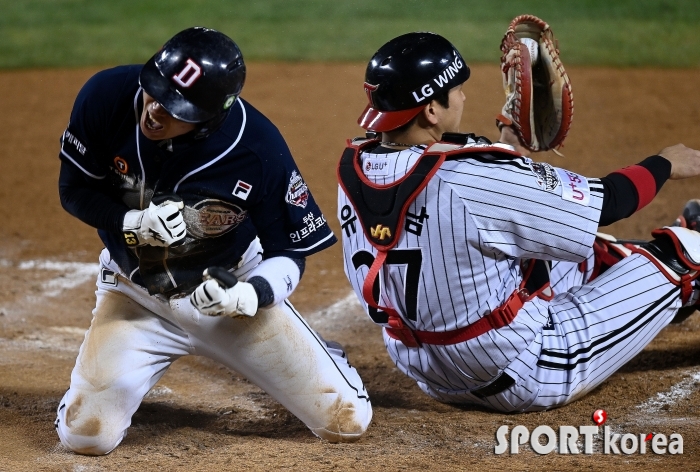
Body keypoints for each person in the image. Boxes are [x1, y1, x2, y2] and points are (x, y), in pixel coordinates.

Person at [337, 32, 700, 412]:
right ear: (431, 109)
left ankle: (642, 279)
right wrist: (665, 163)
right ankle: (685, 280)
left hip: (430, 374)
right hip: (524, 370)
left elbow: (453, 190)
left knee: (585, 253)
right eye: (457, 90)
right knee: (684, 253)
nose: (463, 97)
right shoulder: (474, 178)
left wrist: (509, 147)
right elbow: (609, 202)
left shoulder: (355, 168)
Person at [55, 27, 371, 455]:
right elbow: (74, 190)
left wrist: (251, 294)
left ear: (211, 117)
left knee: (347, 423)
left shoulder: (257, 148)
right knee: (85, 436)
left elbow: (289, 252)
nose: (155, 111)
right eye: (155, 92)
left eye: (175, 107)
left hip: (228, 303)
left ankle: (326, 357)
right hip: (135, 296)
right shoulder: (106, 96)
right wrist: (129, 220)